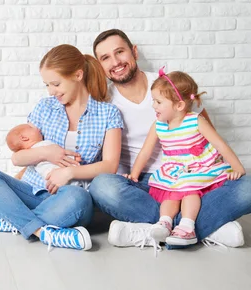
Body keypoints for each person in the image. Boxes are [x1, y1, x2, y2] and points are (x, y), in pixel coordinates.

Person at [88, 29, 251, 249]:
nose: (115, 61)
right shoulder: (103, 100)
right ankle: (199, 227)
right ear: (100, 65)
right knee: (101, 186)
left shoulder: (167, 84)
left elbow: (209, 135)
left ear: (134, 52)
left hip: (191, 175)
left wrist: (205, 173)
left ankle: (156, 231)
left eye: (120, 52)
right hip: (144, 185)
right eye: (105, 57)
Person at [0, 44, 123, 251]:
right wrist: (46, 152)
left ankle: (13, 221)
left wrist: (69, 173)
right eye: (47, 85)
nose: (52, 91)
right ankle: (43, 232)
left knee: (78, 198)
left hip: (68, 198)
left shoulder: (108, 113)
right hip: (33, 191)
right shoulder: (45, 107)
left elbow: (110, 165)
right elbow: (18, 158)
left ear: (78, 75)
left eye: (56, 84)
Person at [123, 68, 246, 246]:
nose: (153, 106)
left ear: (179, 105)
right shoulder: (158, 126)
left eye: (158, 102)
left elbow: (220, 145)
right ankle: (164, 222)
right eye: (154, 101)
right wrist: (134, 174)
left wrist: (238, 168)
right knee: (171, 195)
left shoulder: (195, 121)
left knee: (188, 190)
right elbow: (145, 152)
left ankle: (187, 226)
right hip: (175, 170)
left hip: (199, 168)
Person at [6, 124, 82, 187]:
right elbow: (62, 155)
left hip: (51, 181)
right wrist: (74, 158)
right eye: (31, 128)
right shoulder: (44, 144)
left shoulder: (30, 155)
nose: (37, 128)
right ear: (24, 138)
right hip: (62, 177)